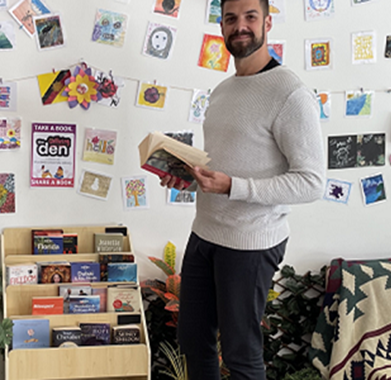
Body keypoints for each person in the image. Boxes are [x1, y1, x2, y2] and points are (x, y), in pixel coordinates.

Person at [159, 0, 325, 378]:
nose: (241, 26)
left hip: (250, 242)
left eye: (250, 17)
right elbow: (223, 166)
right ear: (221, 27)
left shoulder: (290, 93)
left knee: (240, 354)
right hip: (205, 233)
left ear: (267, 22)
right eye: (231, 19)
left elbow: (312, 181)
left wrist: (235, 187)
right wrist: (186, 177)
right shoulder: (222, 91)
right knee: (194, 341)